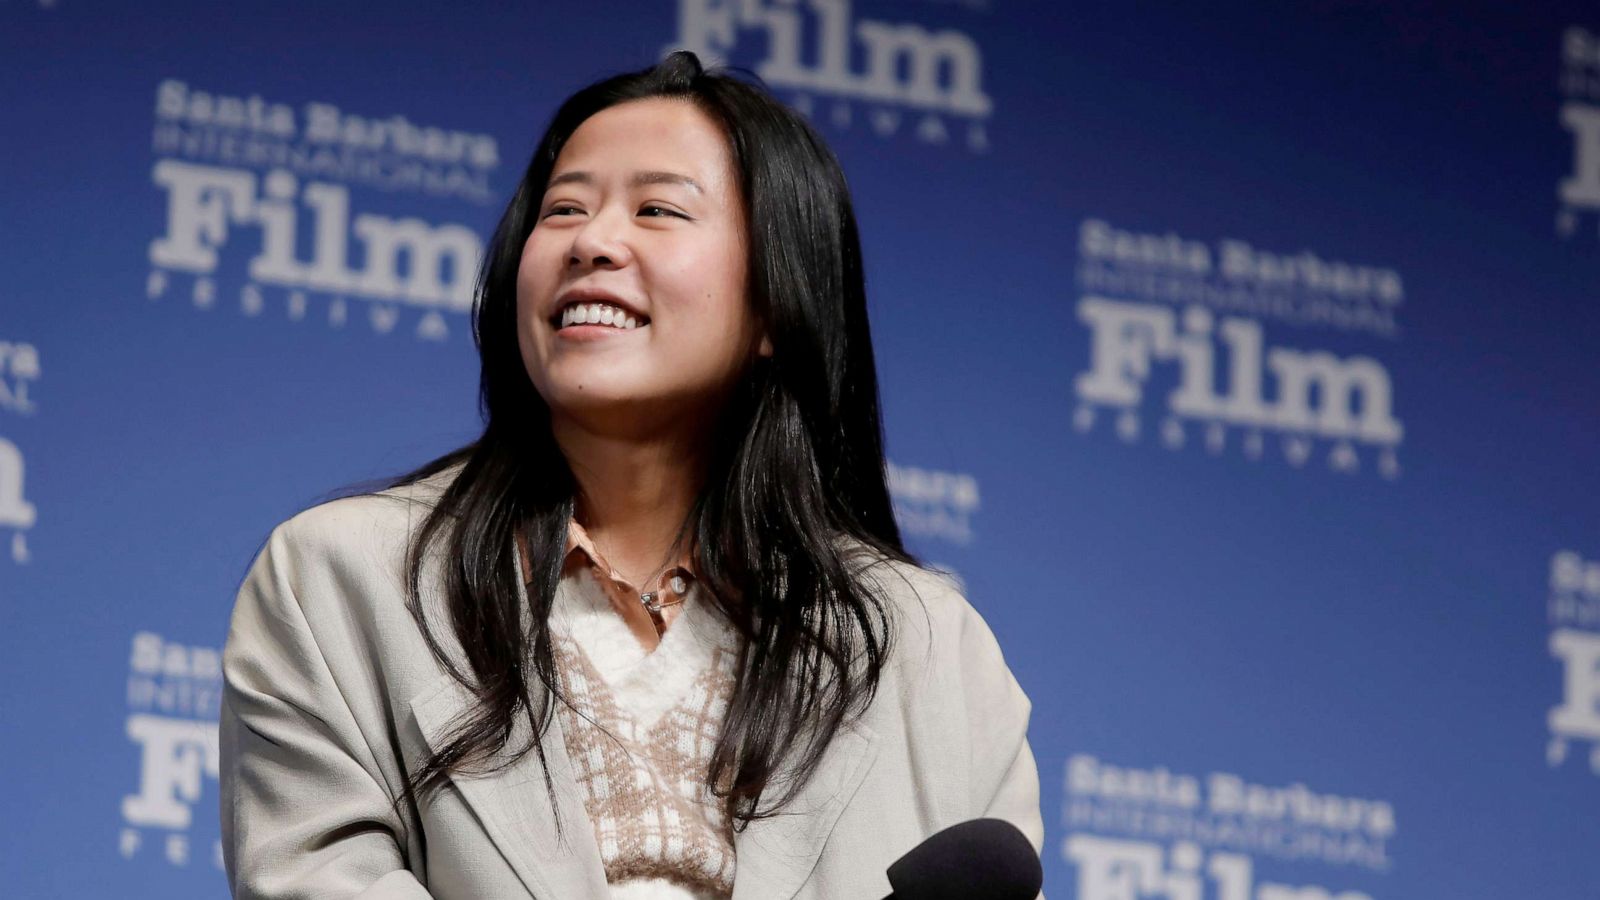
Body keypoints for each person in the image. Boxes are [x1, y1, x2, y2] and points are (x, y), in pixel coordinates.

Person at [218, 50, 1045, 900]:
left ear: (776, 302)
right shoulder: (339, 581)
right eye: (564, 208)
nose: (593, 242)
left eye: (656, 209)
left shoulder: (930, 652)